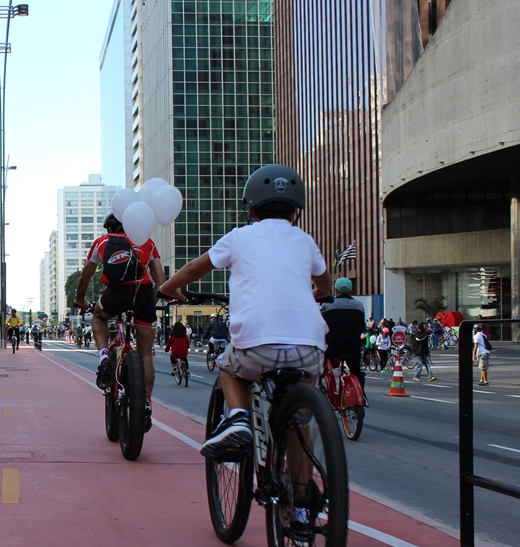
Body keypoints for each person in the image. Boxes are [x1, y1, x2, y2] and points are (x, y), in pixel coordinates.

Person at [158, 163, 333, 498]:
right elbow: (324, 286)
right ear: (296, 212)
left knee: (229, 367)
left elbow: (196, 268)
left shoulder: (239, 236)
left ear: (251, 208)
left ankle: (238, 418)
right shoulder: (305, 241)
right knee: (300, 423)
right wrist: (314, 294)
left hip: (256, 345)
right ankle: (298, 508)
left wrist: (167, 288)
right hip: (309, 347)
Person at [74, 212, 166, 427]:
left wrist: (80, 299)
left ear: (109, 229)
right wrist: (153, 299)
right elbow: (160, 282)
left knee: (98, 316)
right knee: (145, 356)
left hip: (115, 295)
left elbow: (85, 275)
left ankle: (104, 357)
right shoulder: (147, 242)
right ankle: (145, 405)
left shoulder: (101, 242)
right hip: (142, 295)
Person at [320, 277, 367, 397]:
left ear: (336, 290)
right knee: (357, 371)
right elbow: (362, 328)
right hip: (354, 348)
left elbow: (320, 327)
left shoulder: (327, 305)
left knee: (318, 365)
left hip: (332, 347)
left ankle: (319, 385)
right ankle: (361, 394)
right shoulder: (359, 306)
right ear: (351, 290)